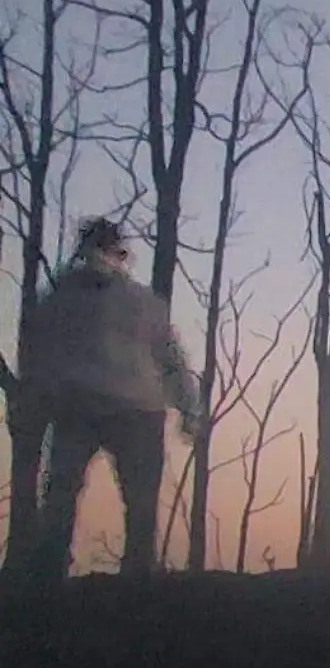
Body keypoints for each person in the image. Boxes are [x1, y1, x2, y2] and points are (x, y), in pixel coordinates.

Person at [18, 218, 202, 582]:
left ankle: (64, 573)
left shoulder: (63, 299)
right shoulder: (83, 299)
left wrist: (188, 405)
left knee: (75, 493)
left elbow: (168, 356)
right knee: (115, 497)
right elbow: (170, 357)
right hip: (114, 407)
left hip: (102, 406)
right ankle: (124, 574)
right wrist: (188, 407)